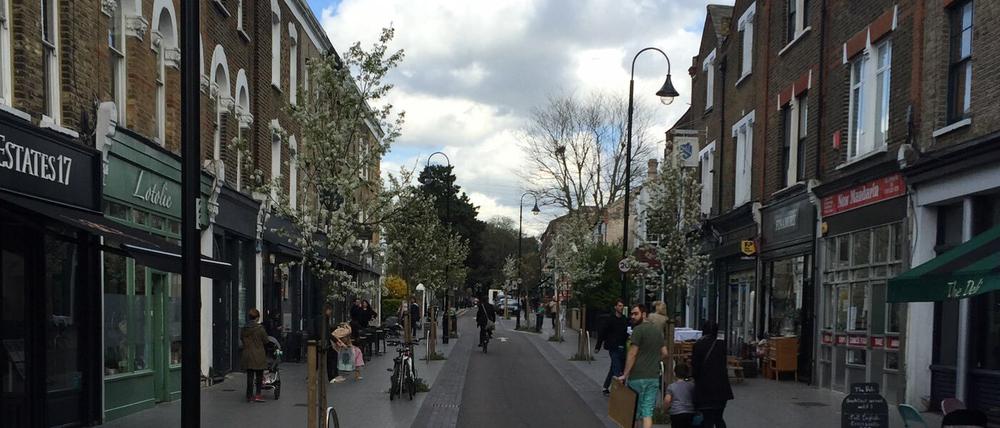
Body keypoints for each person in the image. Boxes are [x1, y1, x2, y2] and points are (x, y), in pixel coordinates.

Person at [617, 304, 668, 428]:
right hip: (653, 377)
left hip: (637, 377)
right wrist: (654, 360)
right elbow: (665, 353)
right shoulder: (657, 331)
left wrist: (625, 374)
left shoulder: (638, 330)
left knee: (633, 412)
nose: (632, 316)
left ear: (644, 314)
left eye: (636, 313)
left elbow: (632, 353)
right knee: (647, 413)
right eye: (632, 314)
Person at [691, 320, 733, 428]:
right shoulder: (721, 345)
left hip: (705, 388)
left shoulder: (698, 345)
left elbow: (695, 367)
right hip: (721, 387)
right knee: (718, 417)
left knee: (707, 418)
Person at [595, 299, 628, 395]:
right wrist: (598, 346)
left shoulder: (624, 319)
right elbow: (602, 333)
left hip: (622, 347)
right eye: (619, 306)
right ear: (615, 307)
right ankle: (617, 392)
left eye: (622, 306)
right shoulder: (610, 319)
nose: (621, 308)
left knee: (614, 367)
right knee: (617, 369)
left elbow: (626, 333)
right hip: (613, 347)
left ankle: (605, 386)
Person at [241, 308, 268, 402]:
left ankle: (249, 396)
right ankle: (258, 394)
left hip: (247, 354)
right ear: (257, 318)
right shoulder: (260, 329)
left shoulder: (244, 328)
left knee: (250, 376)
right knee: (259, 375)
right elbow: (266, 340)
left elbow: (242, 339)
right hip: (258, 354)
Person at [664, 363, 697, 428]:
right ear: (687, 373)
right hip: (689, 412)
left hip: (676, 413)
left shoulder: (671, 386)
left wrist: (665, 410)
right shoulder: (692, 386)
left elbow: (667, 401)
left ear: (675, 373)